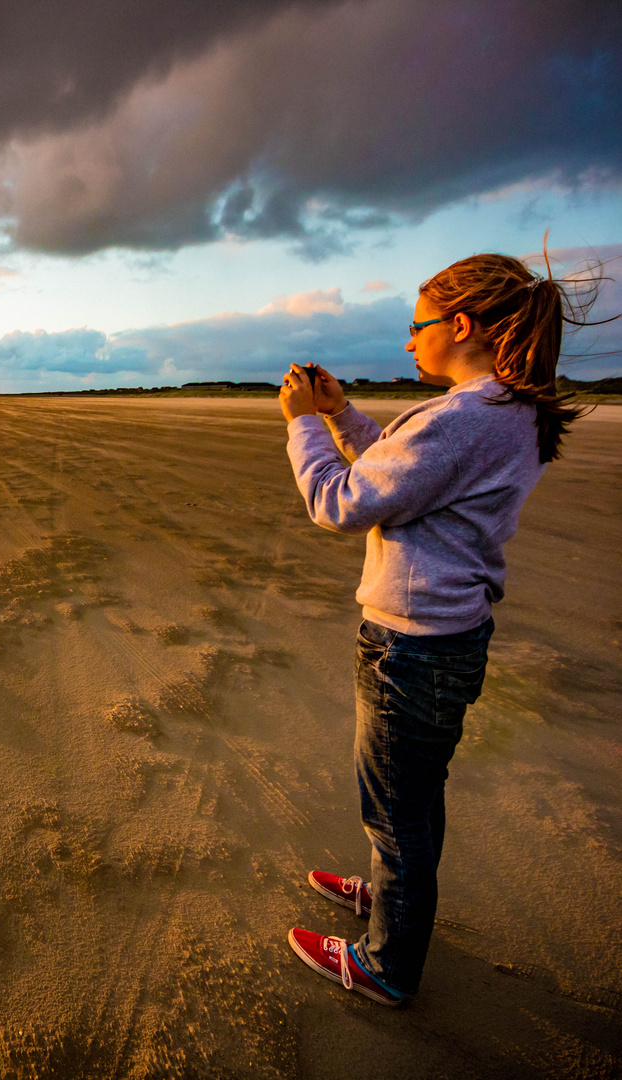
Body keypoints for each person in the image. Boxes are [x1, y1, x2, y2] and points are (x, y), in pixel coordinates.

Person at [276, 252, 592, 1006]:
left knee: (392, 810)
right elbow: (409, 466)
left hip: (409, 647)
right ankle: (396, 898)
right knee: (413, 798)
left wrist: (304, 428)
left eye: (415, 328)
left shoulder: (463, 420)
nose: (409, 344)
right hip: (449, 637)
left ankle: (387, 963)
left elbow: (344, 501)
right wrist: (342, 413)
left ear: (459, 326)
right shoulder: (501, 413)